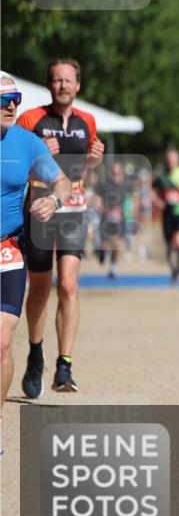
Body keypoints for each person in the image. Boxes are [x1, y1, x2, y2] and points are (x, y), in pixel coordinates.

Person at [18, 58, 104, 396]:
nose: (63, 86)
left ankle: (64, 365)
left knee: (68, 285)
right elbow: (12, 164)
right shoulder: (31, 119)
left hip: (74, 211)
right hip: (40, 211)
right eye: (56, 80)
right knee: (40, 288)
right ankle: (36, 352)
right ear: (48, 85)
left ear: (78, 85)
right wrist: (38, 158)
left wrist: (96, 157)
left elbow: (89, 163)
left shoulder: (88, 122)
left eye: (68, 80)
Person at [0, 72, 71, 408]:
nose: (11, 107)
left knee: (2, 342)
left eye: (15, 101)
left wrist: (53, 201)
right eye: (4, 101)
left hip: (8, 249)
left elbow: (63, 182)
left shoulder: (28, 144)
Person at [152, 148, 179, 284]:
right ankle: (174, 271)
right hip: (168, 214)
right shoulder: (162, 177)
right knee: (169, 246)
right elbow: (153, 190)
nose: (171, 162)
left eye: (174, 159)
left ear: (178, 160)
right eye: (169, 160)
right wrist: (158, 202)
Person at [94, 161, 131, 279]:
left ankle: (113, 267)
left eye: (117, 171)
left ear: (121, 171)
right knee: (105, 244)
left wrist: (133, 212)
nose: (115, 174)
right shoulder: (104, 184)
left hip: (120, 218)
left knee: (116, 244)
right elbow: (97, 197)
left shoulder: (126, 184)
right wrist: (99, 206)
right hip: (107, 216)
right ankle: (101, 252)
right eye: (113, 171)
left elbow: (133, 198)